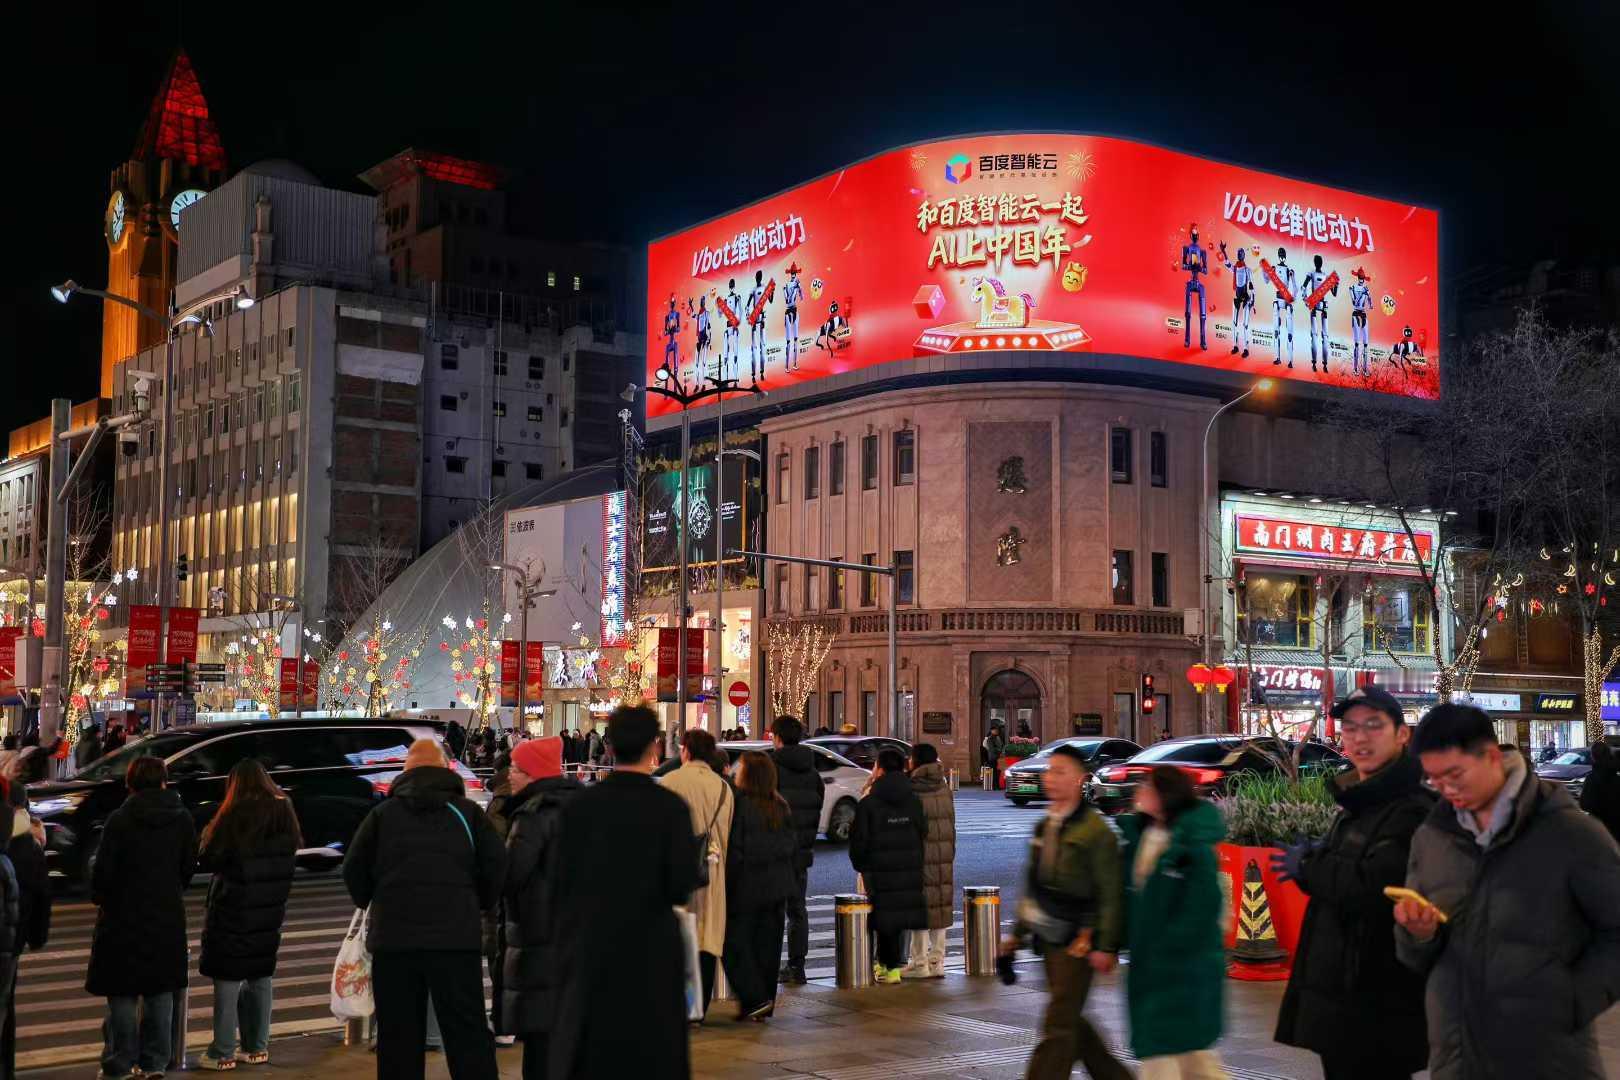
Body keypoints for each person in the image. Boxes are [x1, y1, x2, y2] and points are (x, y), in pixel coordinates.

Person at [1395, 704, 1620, 1079]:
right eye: (1434, 780)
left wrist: (1571, 1002)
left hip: (1548, 1058)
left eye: (1455, 774)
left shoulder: (1571, 834)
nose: (1447, 790)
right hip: (1457, 1057)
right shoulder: (1432, 838)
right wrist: (1416, 934)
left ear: (1492, 756)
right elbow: (1418, 957)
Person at [1272, 686, 1434, 1079]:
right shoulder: (1358, 802)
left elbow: (1376, 887)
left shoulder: (1411, 808)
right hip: (1344, 999)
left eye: (1374, 726)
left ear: (1402, 735)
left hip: (1379, 1004)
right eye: (1350, 727)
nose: (1360, 737)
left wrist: (1311, 866)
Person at [549, 705, 699, 1078]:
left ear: (610, 746)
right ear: (654, 746)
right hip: (652, 946)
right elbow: (682, 884)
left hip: (594, 945)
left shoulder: (581, 807)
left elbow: (559, 880)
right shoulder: (670, 807)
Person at [344, 739, 506, 1080]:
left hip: (394, 942)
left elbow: (354, 868)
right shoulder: (467, 813)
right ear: (446, 770)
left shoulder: (382, 815)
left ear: (406, 772)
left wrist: (371, 899)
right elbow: (495, 867)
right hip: (454, 941)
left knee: (399, 1036)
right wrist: (475, 903)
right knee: (467, 1033)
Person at [1004, 744, 1130, 1080]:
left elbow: (1110, 892)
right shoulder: (1045, 826)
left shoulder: (1095, 832)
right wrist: (1015, 937)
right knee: (1071, 1018)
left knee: (1059, 1023)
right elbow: (1034, 887)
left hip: (1080, 939)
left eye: (1061, 771)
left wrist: (1106, 945)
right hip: (1048, 938)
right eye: (1049, 770)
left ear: (1079, 780)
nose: (1051, 778)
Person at [86, 756, 198, 1079]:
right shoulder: (182, 819)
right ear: (164, 781)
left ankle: (120, 1062)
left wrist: (103, 897)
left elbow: (104, 874)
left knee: (122, 993)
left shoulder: (120, 820)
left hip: (122, 918)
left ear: (131, 783)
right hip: (164, 917)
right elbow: (188, 867)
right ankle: (154, 1063)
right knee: (160, 991)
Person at [1119, 766, 1226, 1079]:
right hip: (1155, 965)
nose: (1140, 792)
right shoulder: (1144, 835)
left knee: (1163, 1056)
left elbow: (1204, 907)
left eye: (1147, 788)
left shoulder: (1191, 846)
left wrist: (1169, 950)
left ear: (1165, 796)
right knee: (1194, 1059)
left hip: (1181, 968)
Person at [195, 760, 302, 1071]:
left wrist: (205, 834)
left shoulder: (234, 813)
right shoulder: (284, 809)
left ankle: (222, 1051)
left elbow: (210, 857)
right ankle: (256, 1047)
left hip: (233, 907)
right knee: (260, 974)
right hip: (270, 908)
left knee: (227, 977)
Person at [500, 736, 579, 1080]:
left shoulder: (532, 815)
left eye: (516, 769)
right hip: (576, 937)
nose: (510, 776)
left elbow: (511, 874)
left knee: (540, 1042)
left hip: (538, 935)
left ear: (533, 773)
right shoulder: (581, 807)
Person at [660, 728, 733, 1016]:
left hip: (676, 873)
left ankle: (680, 1005)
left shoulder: (670, 781)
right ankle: (698, 1009)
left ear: (686, 751)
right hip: (712, 872)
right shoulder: (724, 788)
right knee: (706, 941)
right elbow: (725, 836)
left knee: (678, 938)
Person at [723, 751, 797, 1020]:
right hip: (777, 887)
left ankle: (754, 999)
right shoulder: (780, 805)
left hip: (747, 886)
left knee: (733, 944)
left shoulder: (740, 805)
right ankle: (764, 1003)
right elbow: (790, 846)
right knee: (768, 946)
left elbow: (736, 851)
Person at [849, 747, 927, 984]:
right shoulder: (913, 800)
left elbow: (858, 841)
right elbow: (922, 831)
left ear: (880, 769)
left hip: (878, 870)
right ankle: (892, 967)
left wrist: (863, 866)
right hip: (908, 867)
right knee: (897, 916)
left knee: (880, 917)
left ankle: (882, 966)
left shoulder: (869, 803)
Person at [768, 715, 823, 986]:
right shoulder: (812, 773)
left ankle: (769, 964)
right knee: (797, 909)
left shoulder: (771, 769)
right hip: (801, 850)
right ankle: (797, 966)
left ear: (777, 738)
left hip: (773, 851)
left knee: (772, 910)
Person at [0, 777, 47, 1079]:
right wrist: (36, 936)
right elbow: (40, 893)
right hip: (9, 940)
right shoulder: (27, 842)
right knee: (5, 1007)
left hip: (9, 936)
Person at [902, 743, 955, 979]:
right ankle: (938, 962)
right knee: (940, 906)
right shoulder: (944, 786)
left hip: (919, 853)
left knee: (920, 907)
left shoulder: (913, 787)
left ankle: (920, 962)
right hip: (943, 853)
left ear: (916, 761)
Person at [1581, 737, 1620, 843]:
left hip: (1598, 826)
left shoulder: (1592, 778)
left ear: (1593, 757)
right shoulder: (1616, 777)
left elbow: (1585, 804)